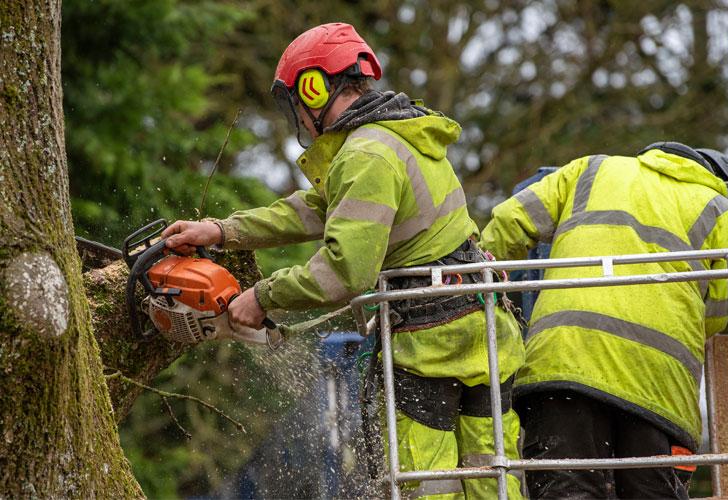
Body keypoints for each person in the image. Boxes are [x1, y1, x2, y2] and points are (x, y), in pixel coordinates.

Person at [162, 23, 525, 499]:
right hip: (482, 329)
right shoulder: (400, 136)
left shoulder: (366, 154)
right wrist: (224, 231)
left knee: (428, 485)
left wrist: (262, 297)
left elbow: (344, 270)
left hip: (431, 344)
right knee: (492, 478)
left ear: (313, 88)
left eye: (297, 101)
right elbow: (318, 207)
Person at [479, 141, 728, 499]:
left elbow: (505, 228)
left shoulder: (592, 167)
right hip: (657, 386)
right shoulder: (720, 210)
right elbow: (715, 316)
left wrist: (479, 292)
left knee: (566, 491)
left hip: (562, 365)